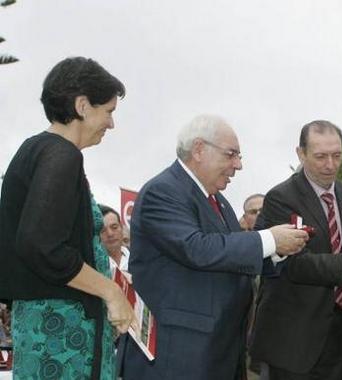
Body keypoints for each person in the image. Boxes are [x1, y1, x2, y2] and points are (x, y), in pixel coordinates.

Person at [121, 115, 309, 379]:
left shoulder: (218, 201)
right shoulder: (162, 191)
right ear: (199, 149)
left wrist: (277, 252)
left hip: (219, 349)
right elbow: (196, 248)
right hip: (177, 355)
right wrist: (268, 240)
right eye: (231, 154)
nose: (238, 165)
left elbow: (228, 258)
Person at [0, 57, 135, 380]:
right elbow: (42, 245)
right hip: (62, 336)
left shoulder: (36, 151)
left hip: (44, 327)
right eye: (109, 111)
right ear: (83, 105)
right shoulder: (61, 154)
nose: (111, 124)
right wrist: (110, 292)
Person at [250, 120, 342, 380]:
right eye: (320, 157)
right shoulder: (280, 198)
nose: (330, 165)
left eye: (337, 156)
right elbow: (293, 265)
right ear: (301, 154)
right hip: (293, 342)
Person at [98, 204, 130, 276]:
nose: (110, 234)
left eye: (114, 227)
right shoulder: (94, 265)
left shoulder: (137, 259)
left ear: (121, 228)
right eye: (103, 230)